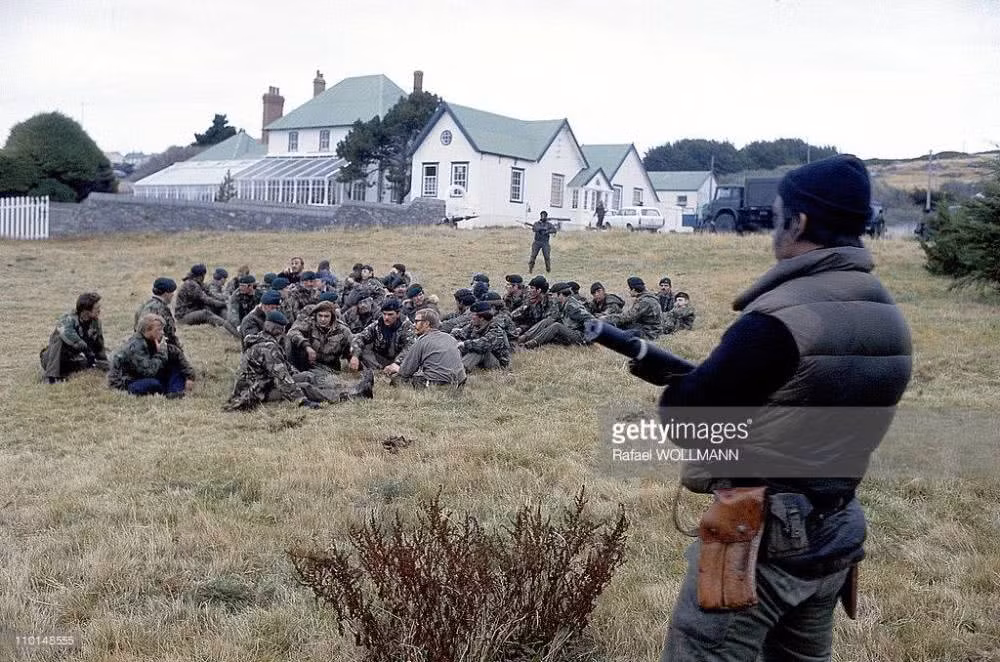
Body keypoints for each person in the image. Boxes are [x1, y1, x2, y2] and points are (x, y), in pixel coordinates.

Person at [655, 154, 912, 661]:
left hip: (762, 537)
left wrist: (680, 389)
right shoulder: (890, 316)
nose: (774, 230)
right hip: (835, 530)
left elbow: (688, 421)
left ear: (799, 221)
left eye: (778, 217)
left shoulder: (780, 319)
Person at [108, 313, 195, 397]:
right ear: (147, 330)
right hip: (126, 381)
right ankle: (169, 390)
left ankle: (175, 393)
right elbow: (149, 372)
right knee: (154, 384)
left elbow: (176, 353)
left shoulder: (154, 340)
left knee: (175, 366)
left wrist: (189, 376)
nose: (162, 333)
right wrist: (161, 352)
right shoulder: (136, 345)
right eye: (158, 330)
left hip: (140, 375)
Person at [386, 309, 466, 388]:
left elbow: (406, 371)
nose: (413, 325)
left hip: (436, 384)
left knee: (397, 378)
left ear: (426, 324)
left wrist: (396, 368)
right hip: (459, 383)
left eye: (416, 321)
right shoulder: (450, 338)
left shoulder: (421, 341)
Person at [39, 292, 109, 383]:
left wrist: (104, 363)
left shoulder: (96, 323)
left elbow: (99, 346)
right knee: (59, 338)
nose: (99, 311)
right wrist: (87, 350)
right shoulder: (68, 319)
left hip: (72, 359)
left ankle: (64, 372)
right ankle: (50, 377)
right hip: (51, 359)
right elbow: (69, 336)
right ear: (86, 311)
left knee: (96, 362)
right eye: (97, 308)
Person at [349, 299, 416, 375]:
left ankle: (391, 372)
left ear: (398, 314)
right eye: (384, 314)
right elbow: (361, 337)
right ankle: (379, 371)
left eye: (390, 314)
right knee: (360, 346)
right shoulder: (378, 324)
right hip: (380, 359)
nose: (386, 317)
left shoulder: (407, 326)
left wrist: (397, 363)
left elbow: (410, 347)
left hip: (399, 361)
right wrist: (355, 355)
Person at [521, 282, 594, 349]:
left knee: (556, 326)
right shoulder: (560, 304)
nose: (552, 297)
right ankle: (524, 338)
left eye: (554, 294)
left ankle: (531, 344)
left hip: (579, 336)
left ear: (561, 294)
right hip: (570, 330)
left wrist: (587, 339)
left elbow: (590, 319)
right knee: (549, 320)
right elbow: (554, 318)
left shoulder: (573, 306)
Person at [286, 300, 352, 372]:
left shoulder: (343, 330)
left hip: (330, 367)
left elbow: (354, 346)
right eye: (320, 316)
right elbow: (292, 332)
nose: (322, 319)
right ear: (316, 315)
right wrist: (307, 346)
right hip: (308, 364)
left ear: (332, 317)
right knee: (290, 341)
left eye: (326, 316)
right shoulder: (310, 322)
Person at [175, 264, 239, 337]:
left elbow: (211, 294)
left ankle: (233, 324)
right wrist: (223, 303)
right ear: (201, 276)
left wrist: (224, 301)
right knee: (206, 313)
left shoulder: (197, 282)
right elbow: (206, 299)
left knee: (217, 308)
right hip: (183, 316)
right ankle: (234, 331)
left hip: (191, 311)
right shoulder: (191, 284)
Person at [452, 301, 511, 370]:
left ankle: (458, 372)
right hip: (483, 361)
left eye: (473, 315)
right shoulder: (474, 325)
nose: (471, 317)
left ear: (482, 318)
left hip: (498, 364)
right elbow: (459, 334)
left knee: (478, 350)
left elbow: (483, 344)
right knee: (459, 347)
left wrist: (464, 344)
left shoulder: (496, 329)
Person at [135, 277, 183, 349]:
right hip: (152, 346)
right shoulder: (162, 308)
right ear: (166, 293)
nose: (173, 295)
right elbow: (170, 333)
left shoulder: (144, 304)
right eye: (171, 292)